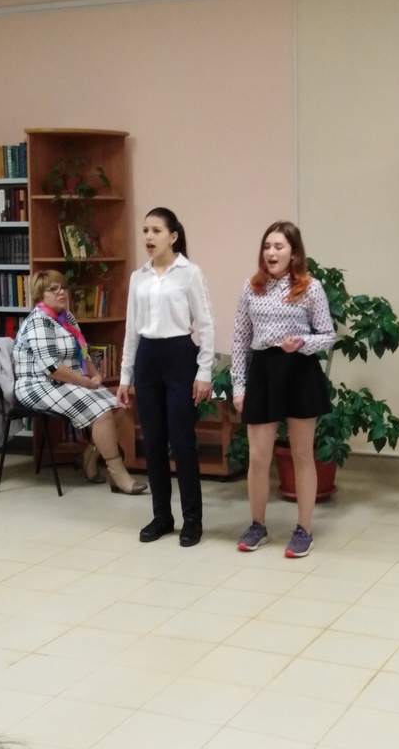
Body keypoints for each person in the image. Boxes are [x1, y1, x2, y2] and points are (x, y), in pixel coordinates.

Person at [231, 221, 336, 557]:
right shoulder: (251, 288)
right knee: (258, 457)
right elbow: (240, 340)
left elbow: (328, 336)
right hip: (263, 371)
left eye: (279, 246)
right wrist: (238, 385)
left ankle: (304, 530)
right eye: (267, 246)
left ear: (293, 253)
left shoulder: (311, 288)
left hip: (299, 370)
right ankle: (257, 525)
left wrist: (302, 342)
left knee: (302, 455)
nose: (271, 252)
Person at [117, 207, 214, 547]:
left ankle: (192, 520)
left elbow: (206, 325)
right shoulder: (138, 277)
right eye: (145, 230)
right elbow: (131, 330)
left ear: (173, 236)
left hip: (179, 356)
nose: (148, 236)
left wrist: (204, 372)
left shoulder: (190, 273)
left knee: (182, 441)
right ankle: (162, 517)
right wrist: (125, 376)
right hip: (147, 357)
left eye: (156, 230)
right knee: (153, 441)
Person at [13, 269, 147, 495]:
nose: (61, 292)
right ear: (40, 295)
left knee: (120, 403)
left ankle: (89, 457)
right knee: (101, 411)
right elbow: (53, 369)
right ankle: (117, 474)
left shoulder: (67, 318)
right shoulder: (38, 322)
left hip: (67, 381)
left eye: (63, 287)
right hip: (38, 384)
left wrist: (95, 374)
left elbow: (82, 352)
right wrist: (85, 382)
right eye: (53, 289)